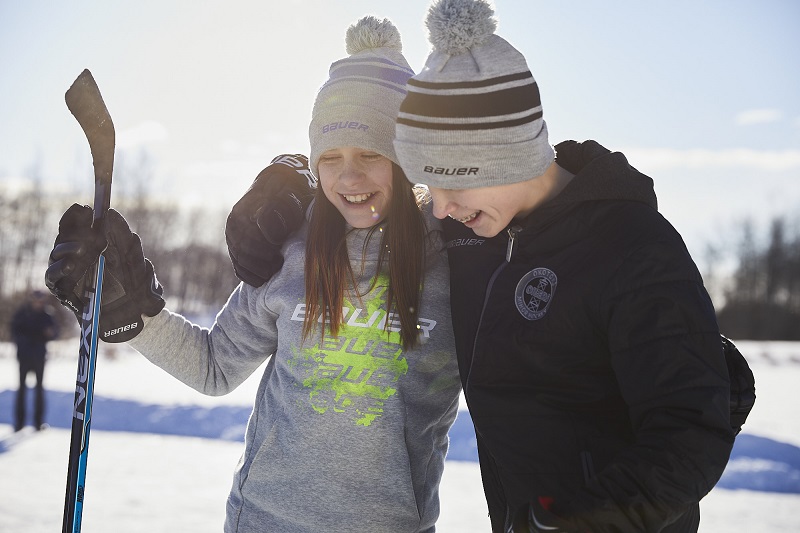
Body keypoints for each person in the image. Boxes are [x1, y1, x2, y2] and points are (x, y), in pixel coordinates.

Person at [226, 1, 737, 531]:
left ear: (504, 156)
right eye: (428, 185)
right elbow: (369, 183)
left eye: (449, 183)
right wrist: (290, 179)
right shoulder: (477, 230)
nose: (439, 209)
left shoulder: (632, 245)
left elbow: (690, 430)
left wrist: (581, 523)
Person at [45, 16, 460, 533]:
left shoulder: (457, 255)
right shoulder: (293, 244)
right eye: (329, 157)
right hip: (265, 521)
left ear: (406, 156)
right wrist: (134, 313)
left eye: (371, 154)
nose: (349, 177)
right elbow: (215, 367)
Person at [11, 289, 58, 431]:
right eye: (35, 300)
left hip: (39, 357)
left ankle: (38, 423)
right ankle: (19, 423)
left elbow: (54, 333)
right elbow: (14, 332)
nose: (38, 303)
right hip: (24, 356)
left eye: (40, 300)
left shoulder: (47, 315)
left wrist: (49, 334)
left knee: (39, 390)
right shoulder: (22, 314)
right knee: (21, 390)